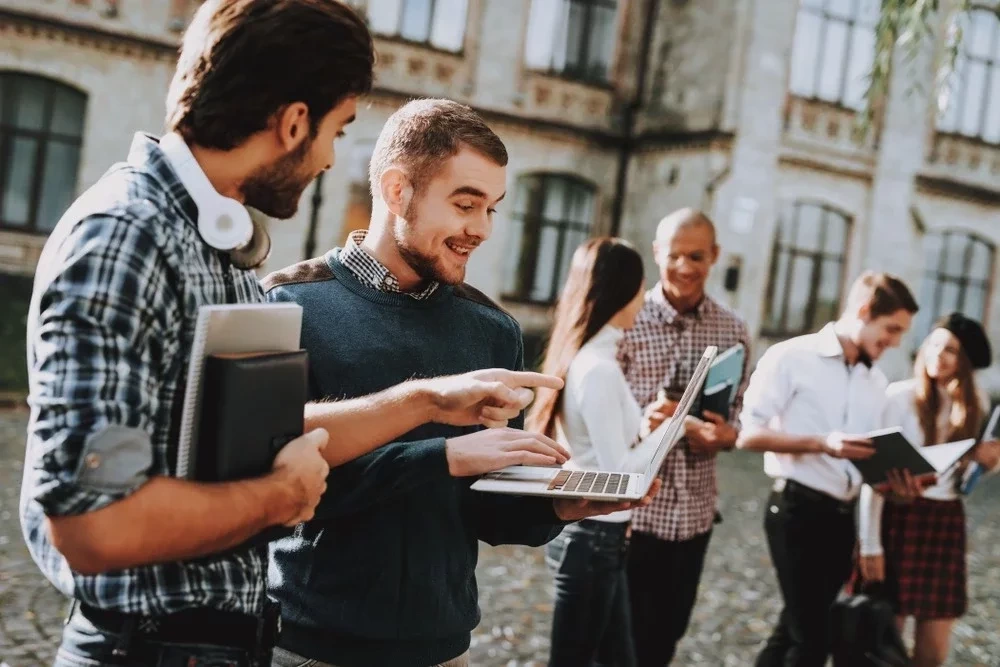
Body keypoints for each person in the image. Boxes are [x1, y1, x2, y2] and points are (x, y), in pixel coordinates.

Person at [19, 4, 560, 666]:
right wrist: (278, 496)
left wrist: (427, 403)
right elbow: (89, 525)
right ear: (293, 122)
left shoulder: (214, 245)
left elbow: (252, 441)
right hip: (147, 649)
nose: (331, 158)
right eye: (337, 130)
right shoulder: (126, 237)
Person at [262, 99, 658, 667]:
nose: (482, 229)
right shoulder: (289, 305)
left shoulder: (492, 330)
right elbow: (273, 492)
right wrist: (440, 456)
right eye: (466, 204)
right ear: (398, 191)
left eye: (493, 209)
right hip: (307, 649)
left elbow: (490, 510)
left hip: (445, 652)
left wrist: (566, 505)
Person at [737, 270, 927, 667]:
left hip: (842, 521)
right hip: (795, 511)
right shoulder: (791, 357)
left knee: (792, 628)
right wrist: (822, 442)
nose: (893, 342)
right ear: (863, 311)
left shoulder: (877, 381)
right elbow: (746, 435)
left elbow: (869, 459)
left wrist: (898, 484)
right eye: (890, 329)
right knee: (813, 639)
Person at [526, 238, 670, 667]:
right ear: (623, 290)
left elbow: (604, 444)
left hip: (596, 540)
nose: (645, 299)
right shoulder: (600, 367)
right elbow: (620, 475)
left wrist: (648, 427)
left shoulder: (589, 358)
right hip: (591, 541)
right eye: (642, 287)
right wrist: (673, 430)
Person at [617, 209, 751, 666]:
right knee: (618, 640)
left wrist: (727, 435)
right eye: (674, 255)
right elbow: (587, 416)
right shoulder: (624, 320)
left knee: (666, 637)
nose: (685, 267)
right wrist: (642, 423)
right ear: (657, 253)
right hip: (632, 512)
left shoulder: (733, 330)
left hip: (693, 514)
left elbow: (741, 417)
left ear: (715, 256)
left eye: (697, 256)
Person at [857, 313, 1000, 667]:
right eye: (934, 343)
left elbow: (971, 476)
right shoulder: (897, 397)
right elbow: (873, 478)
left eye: (951, 349)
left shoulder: (977, 403)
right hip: (898, 517)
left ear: (965, 361)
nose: (939, 354)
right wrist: (870, 546)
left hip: (945, 520)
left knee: (933, 651)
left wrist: (989, 460)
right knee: (884, 640)